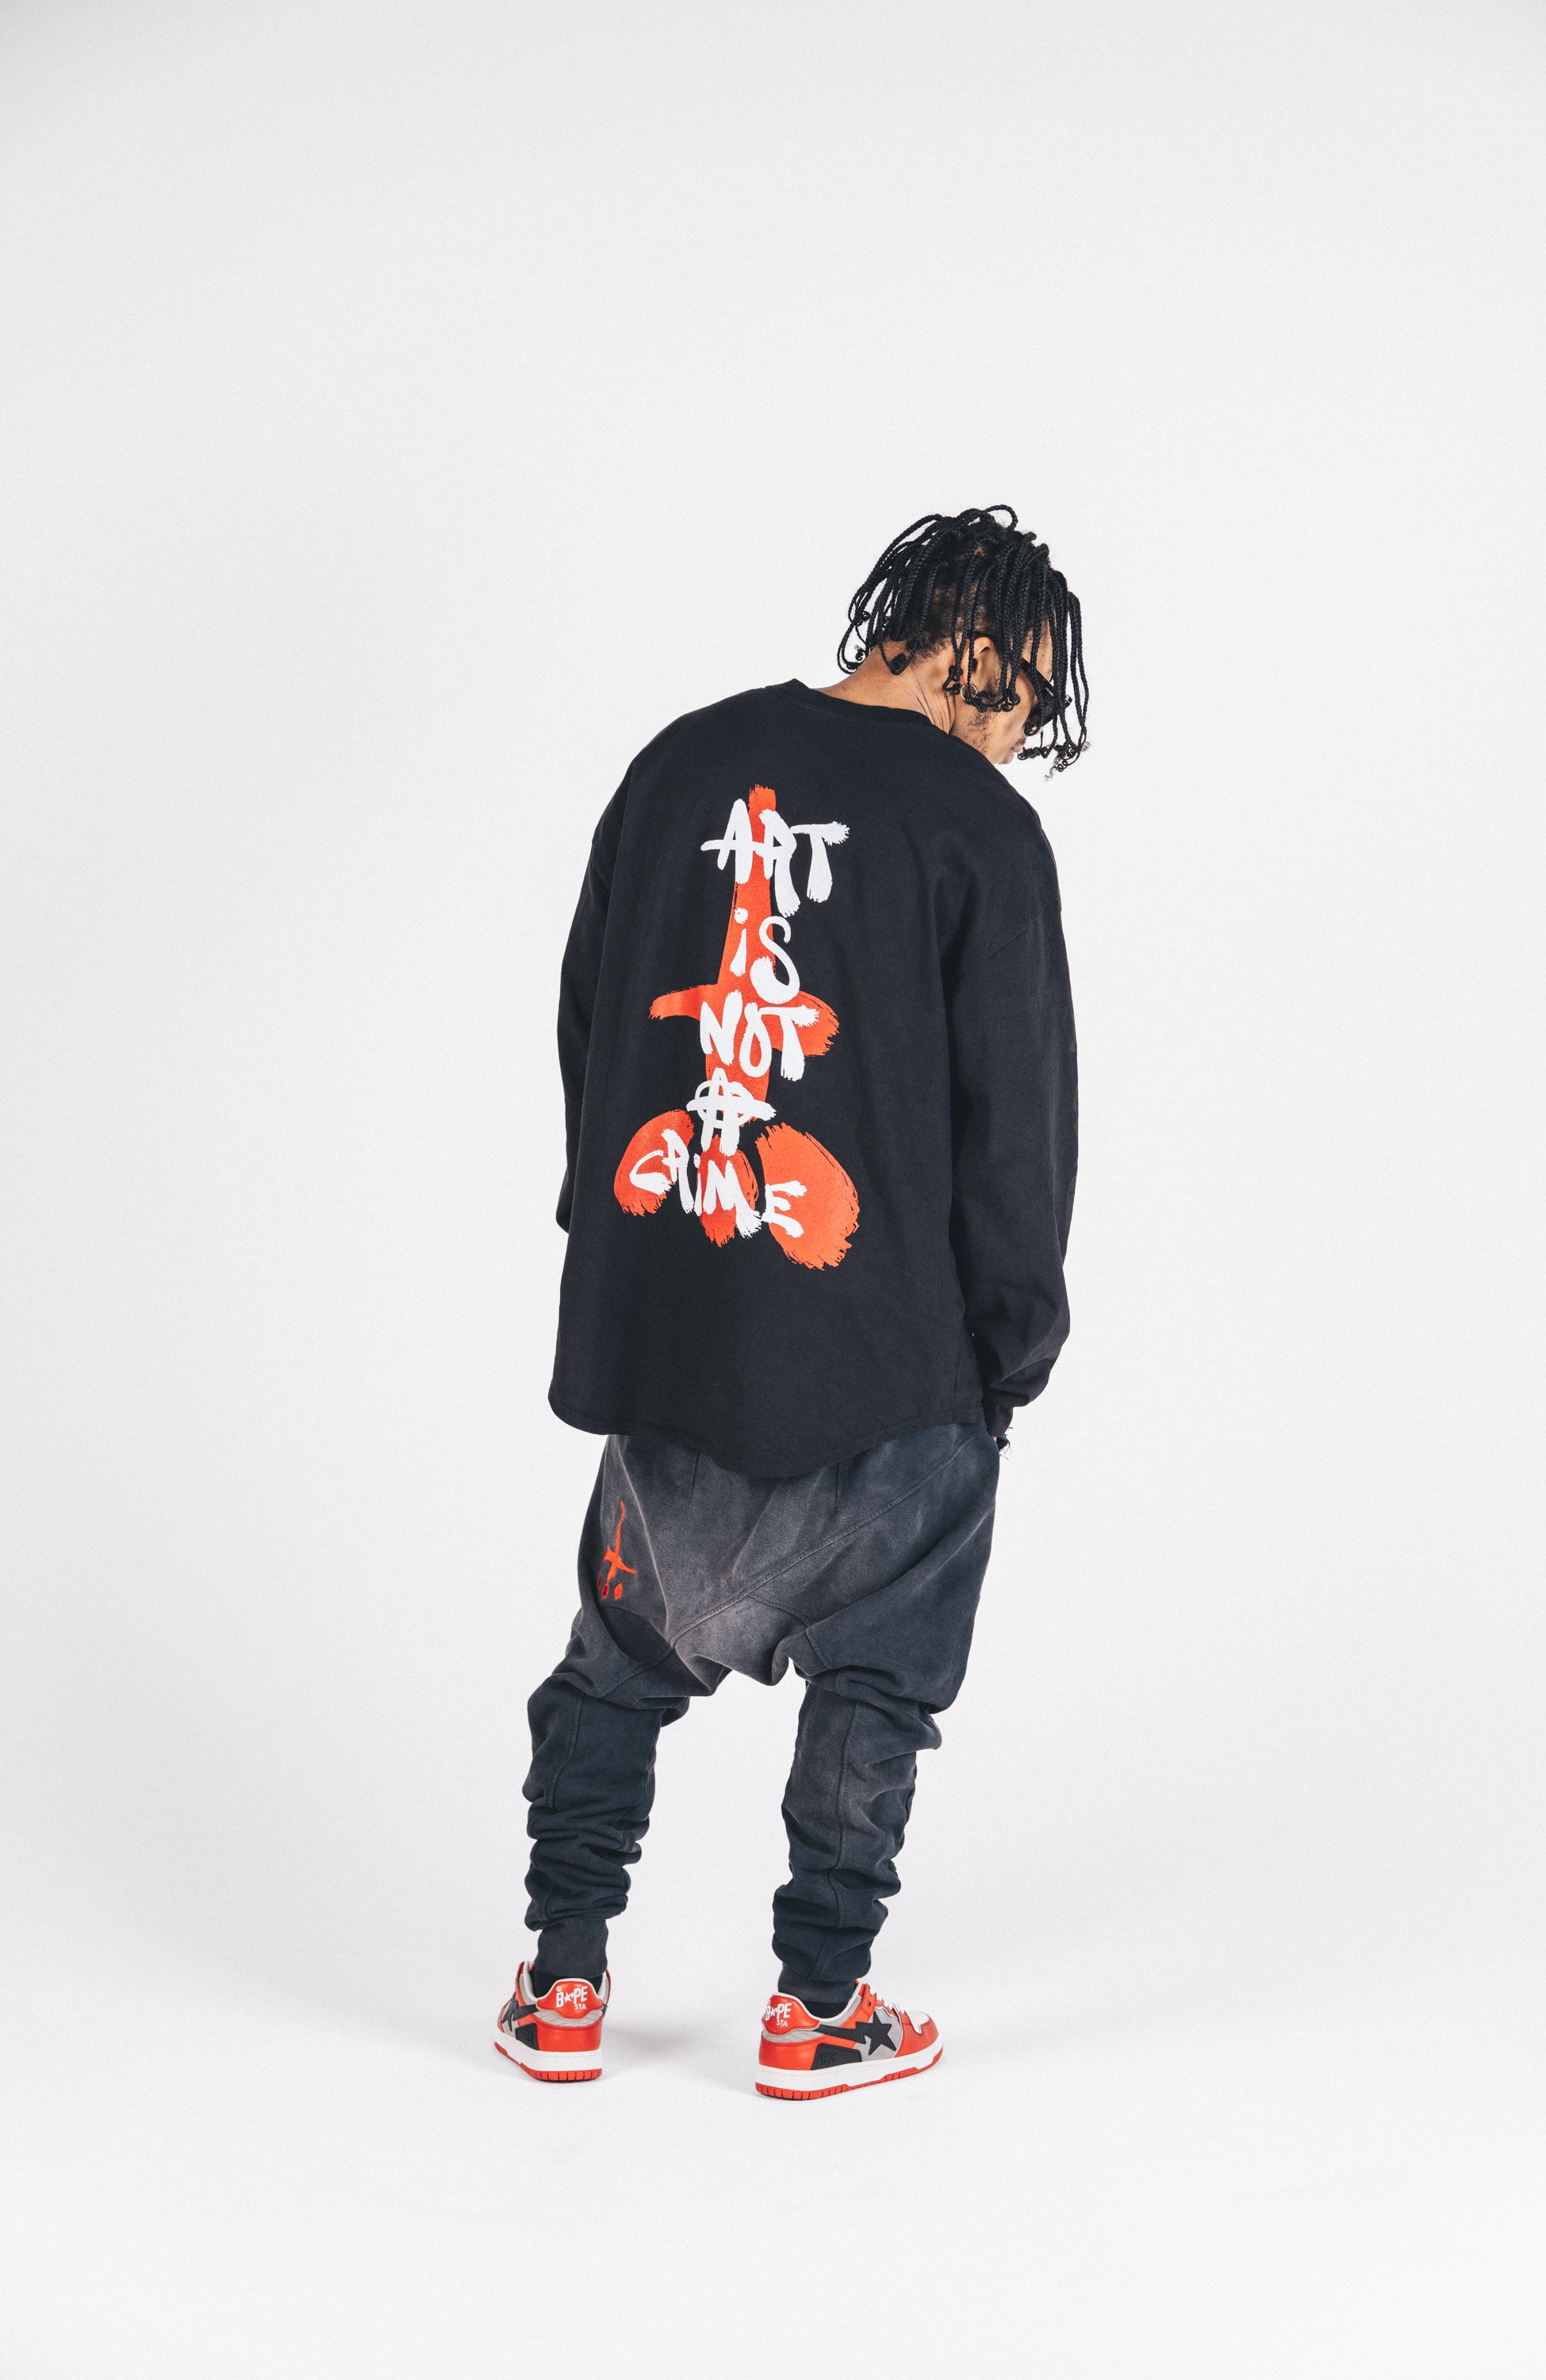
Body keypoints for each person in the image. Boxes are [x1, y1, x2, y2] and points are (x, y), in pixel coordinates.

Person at [494, 505, 1087, 2098]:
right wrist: (1013, 1348)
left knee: (618, 1657)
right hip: (894, 1353)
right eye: (1023, 695)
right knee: (880, 1678)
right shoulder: (976, 829)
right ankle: (818, 2005)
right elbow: (1016, 1123)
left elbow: (591, 1021)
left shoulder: (678, 764)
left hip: (676, 1325)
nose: (1018, 735)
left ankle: (563, 1979)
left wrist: (620, 1255)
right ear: (971, 643)